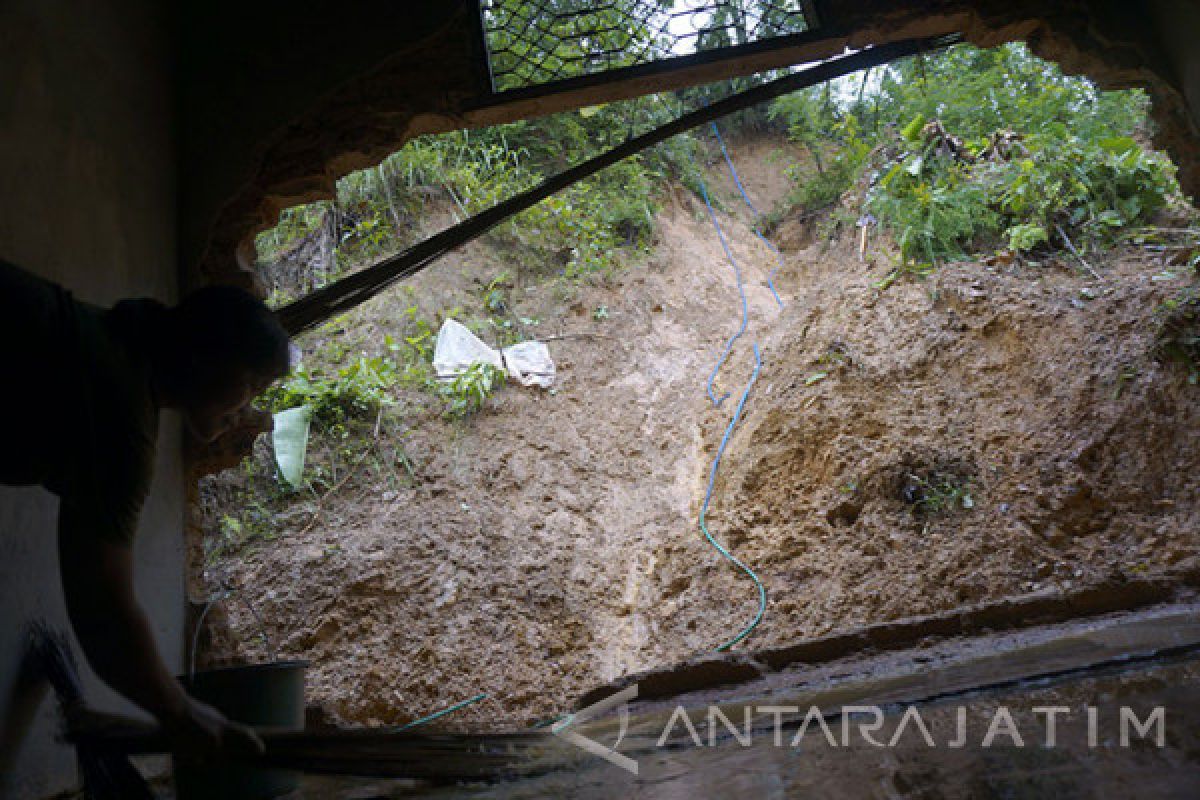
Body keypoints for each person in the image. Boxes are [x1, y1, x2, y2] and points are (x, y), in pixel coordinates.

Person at [0, 257, 291, 757]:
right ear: (207, 357)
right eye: (250, 388)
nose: (246, 412)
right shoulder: (121, 414)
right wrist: (180, 711)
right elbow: (103, 610)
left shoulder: (107, 344)